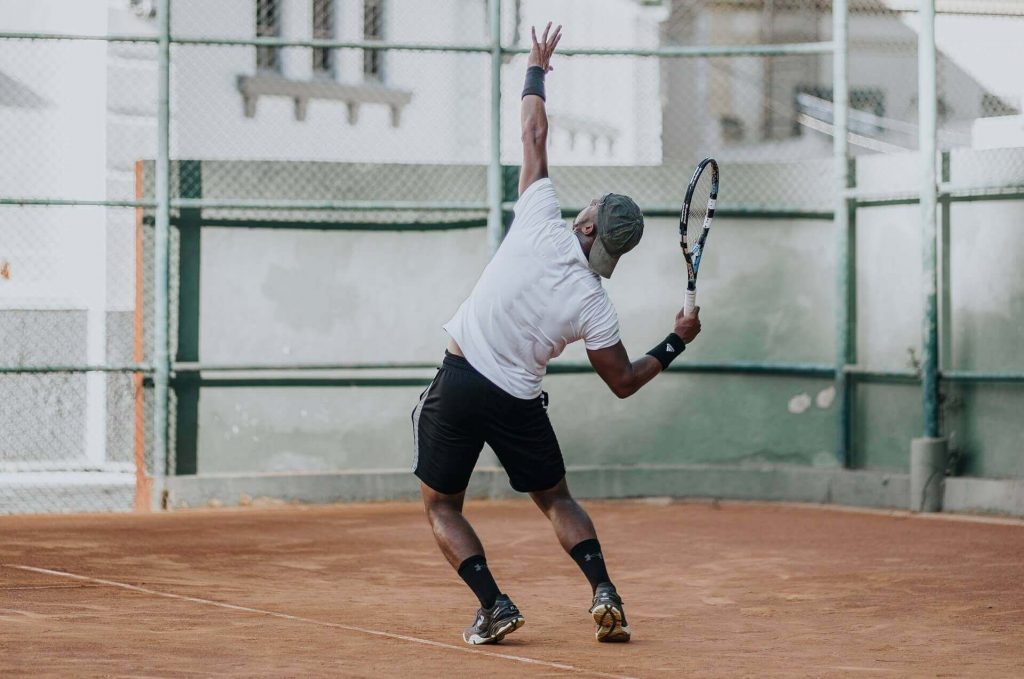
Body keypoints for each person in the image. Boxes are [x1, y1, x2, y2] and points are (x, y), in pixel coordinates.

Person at [411, 22, 702, 646]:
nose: (586, 209)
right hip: (517, 401)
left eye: (592, 211)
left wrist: (536, 69)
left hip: (461, 382)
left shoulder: (541, 217)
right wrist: (675, 340)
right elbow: (623, 381)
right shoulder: (596, 305)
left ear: (590, 229)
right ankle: (604, 590)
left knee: (440, 505)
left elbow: (533, 130)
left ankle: (494, 605)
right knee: (556, 499)